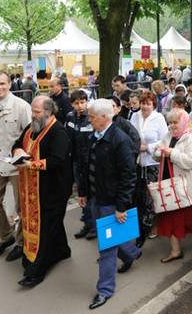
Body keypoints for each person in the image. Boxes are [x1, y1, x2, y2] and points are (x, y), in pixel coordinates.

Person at [78, 99, 142, 310]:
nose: (89, 119)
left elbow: (128, 176)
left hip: (111, 202)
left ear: (104, 117)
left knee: (106, 248)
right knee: (113, 238)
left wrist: (121, 206)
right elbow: (87, 166)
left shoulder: (120, 140)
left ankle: (105, 290)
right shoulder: (93, 137)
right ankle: (133, 253)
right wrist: (84, 193)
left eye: (92, 116)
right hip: (97, 198)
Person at [10, 96, 73, 287]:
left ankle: (36, 271)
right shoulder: (32, 128)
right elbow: (17, 144)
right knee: (51, 224)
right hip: (33, 189)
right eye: (33, 111)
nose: (33, 116)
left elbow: (57, 160)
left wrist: (31, 164)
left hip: (53, 190)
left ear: (48, 112)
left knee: (45, 228)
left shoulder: (58, 131)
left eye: (37, 112)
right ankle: (62, 250)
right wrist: (17, 153)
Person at [0, 71, 32, 261]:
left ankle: (21, 243)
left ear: (10, 84)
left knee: (21, 207)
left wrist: (26, 162)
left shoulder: (22, 107)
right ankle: (7, 237)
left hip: (18, 166)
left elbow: (31, 137)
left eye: (2, 83)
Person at [154, 109, 192, 263]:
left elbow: (191, 161)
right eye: (170, 122)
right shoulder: (168, 135)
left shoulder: (191, 138)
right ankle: (175, 251)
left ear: (184, 121)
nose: (172, 126)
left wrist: (171, 153)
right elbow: (156, 153)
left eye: (175, 122)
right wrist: (158, 152)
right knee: (171, 218)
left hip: (187, 186)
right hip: (170, 185)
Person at [130, 91, 169, 245]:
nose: (145, 106)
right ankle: (141, 227)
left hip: (153, 162)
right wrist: (135, 146)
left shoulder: (158, 118)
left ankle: (150, 228)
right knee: (139, 196)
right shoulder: (135, 116)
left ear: (153, 105)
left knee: (151, 196)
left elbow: (164, 140)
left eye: (148, 103)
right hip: (138, 162)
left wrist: (147, 147)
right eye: (143, 103)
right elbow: (131, 135)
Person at [65, 89, 95, 240]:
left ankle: (94, 225)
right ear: (72, 104)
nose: (80, 106)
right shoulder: (70, 117)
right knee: (82, 193)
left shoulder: (91, 118)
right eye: (77, 103)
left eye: (83, 102)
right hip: (76, 160)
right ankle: (87, 223)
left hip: (90, 162)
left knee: (91, 194)